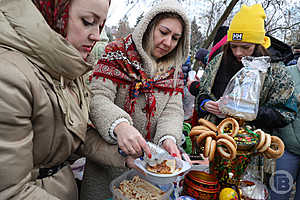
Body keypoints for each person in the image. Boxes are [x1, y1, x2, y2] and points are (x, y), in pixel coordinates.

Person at [0, 0, 113, 199]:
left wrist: (123, 154)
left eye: (100, 25)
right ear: (51, 13)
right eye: (88, 21)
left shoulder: (65, 67)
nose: (96, 35)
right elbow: (10, 191)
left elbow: (68, 134)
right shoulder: (9, 76)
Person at [83, 0, 191, 198]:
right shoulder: (116, 54)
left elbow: (172, 110)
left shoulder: (173, 71)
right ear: (148, 27)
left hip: (149, 171)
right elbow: (97, 96)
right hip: (105, 166)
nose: (168, 43)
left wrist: (168, 138)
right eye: (163, 32)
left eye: (176, 38)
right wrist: (120, 125)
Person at [189, 4, 295, 132]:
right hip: (212, 132)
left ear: (258, 45)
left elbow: (286, 114)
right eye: (234, 46)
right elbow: (203, 90)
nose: (238, 52)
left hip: (252, 141)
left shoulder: (276, 70)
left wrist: (250, 112)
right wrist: (204, 103)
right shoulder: (218, 60)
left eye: (245, 47)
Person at [270, 58, 300, 200]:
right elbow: (275, 107)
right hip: (286, 150)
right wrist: (296, 100)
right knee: (279, 193)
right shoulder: (287, 74)